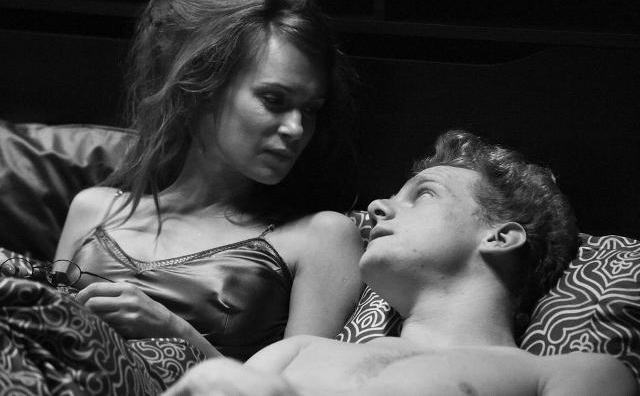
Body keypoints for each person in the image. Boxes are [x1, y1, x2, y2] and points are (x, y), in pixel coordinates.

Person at [163, 130, 637, 396]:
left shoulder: (566, 374)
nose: (377, 207)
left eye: (423, 194)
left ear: (500, 237)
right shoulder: (299, 351)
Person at [52, 0, 363, 361]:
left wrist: (173, 330)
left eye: (310, 110)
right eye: (274, 99)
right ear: (200, 89)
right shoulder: (94, 209)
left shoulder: (321, 237)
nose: (296, 129)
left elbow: (300, 386)